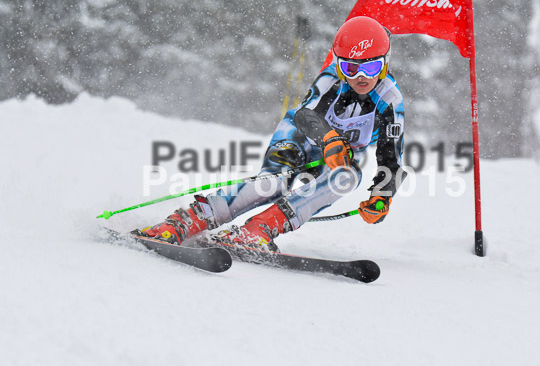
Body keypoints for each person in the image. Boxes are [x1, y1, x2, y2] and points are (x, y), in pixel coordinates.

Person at [134, 16, 405, 251]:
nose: (361, 77)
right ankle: (189, 220)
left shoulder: (389, 100)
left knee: (347, 177)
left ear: (386, 62)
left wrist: (382, 197)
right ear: (339, 64)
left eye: (372, 67)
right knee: (275, 182)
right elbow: (304, 116)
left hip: (339, 154)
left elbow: (390, 156)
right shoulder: (331, 79)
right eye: (351, 68)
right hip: (301, 137)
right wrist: (329, 139)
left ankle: (260, 229)